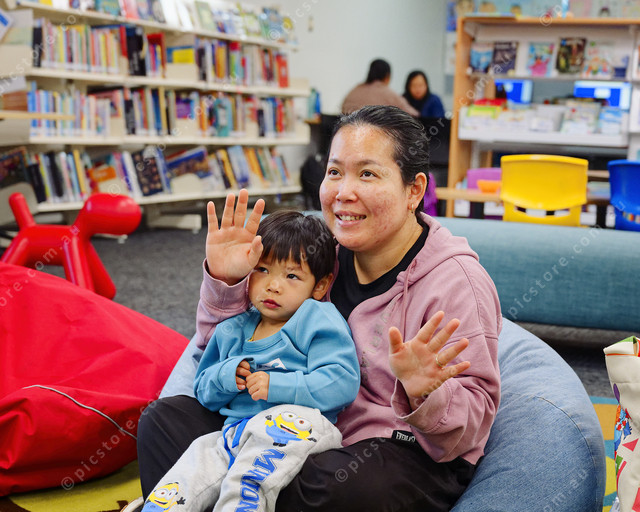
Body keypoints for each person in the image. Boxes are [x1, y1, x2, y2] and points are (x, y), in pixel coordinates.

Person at [136, 105, 501, 512]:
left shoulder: (456, 283)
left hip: (389, 447)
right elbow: (221, 349)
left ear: (414, 190)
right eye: (334, 172)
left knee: (337, 486)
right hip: (286, 426)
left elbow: (470, 430)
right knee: (163, 421)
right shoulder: (317, 254)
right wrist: (227, 282)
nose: (344, 192)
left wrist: (425, 393)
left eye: (367, 174)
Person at [140, 210, 360, 512]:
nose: (273, 285)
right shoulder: (234, 328)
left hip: (296, 430)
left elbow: (341, 382)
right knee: (189, 470)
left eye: (292, 276)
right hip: (235, 433)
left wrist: (278, 386)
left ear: (320, 286)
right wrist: (226, 376)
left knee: (246, 480)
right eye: (263, 270)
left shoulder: (317, 318)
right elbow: (203, 390)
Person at [341, 59, 419, 116]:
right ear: (387, 76)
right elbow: (413, 114)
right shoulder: (387, 93)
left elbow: (343, 110)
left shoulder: (355, 90)